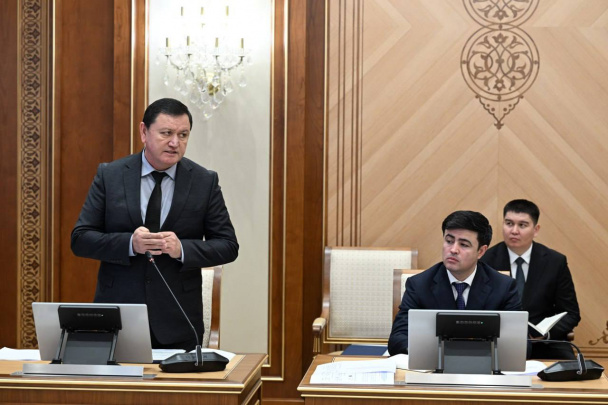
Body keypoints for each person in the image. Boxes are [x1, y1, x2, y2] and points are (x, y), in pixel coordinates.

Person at [71, 98, 239, 351]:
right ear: (144, 132)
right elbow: (81, 239)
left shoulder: (204, 182)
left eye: (183, 135)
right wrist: (130, 243)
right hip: (119, 317)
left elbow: (228, 246)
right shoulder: (111, 175)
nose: (175, 143)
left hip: (178, 320)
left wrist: (181, 249)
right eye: (166, 133)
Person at [388, 210, 521, 355]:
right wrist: (430, 353)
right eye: (449, 241)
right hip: (434, 363)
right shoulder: (419, 285)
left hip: (484, 365)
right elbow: (398, 338)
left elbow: (520, 343)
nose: (453, 250)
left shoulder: (504, 287)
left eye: (463, 244)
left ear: (481, 251)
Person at [481, 199, 580, 359]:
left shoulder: (555, 262)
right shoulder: (486, 260)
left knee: (568, 367)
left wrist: (545, 334)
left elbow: (571, 313)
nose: (514, 231)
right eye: (509, 223)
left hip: (545, 343)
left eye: (522, 225)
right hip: (499, 341)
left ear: (536, 229)